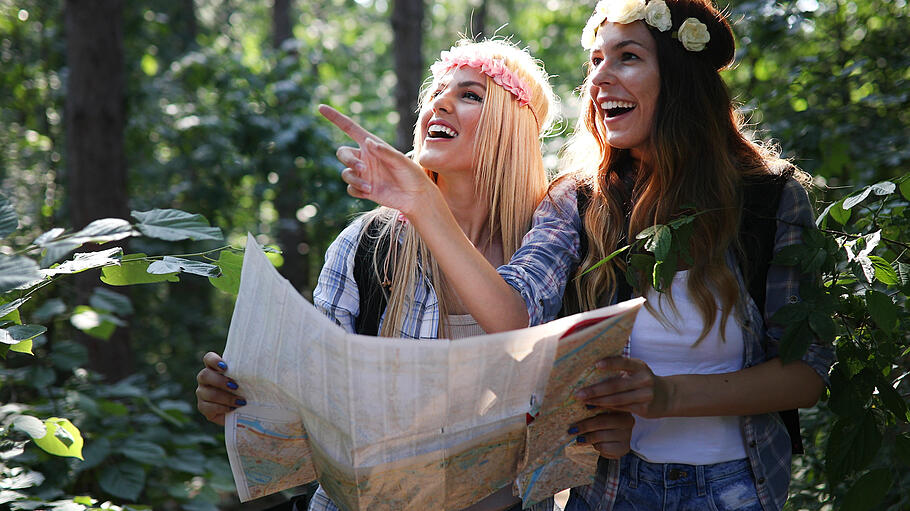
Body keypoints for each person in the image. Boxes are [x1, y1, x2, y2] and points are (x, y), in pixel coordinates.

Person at [332, 1, 836, 510]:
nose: (599, 79)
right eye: (595, 62)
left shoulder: (769, 200)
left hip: (740, 488)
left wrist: (665, 398)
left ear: (680, 76)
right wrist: (422, 201)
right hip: (612, 490)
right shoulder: (578, 201)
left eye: (627, 58)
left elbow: (807, 372)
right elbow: (517, 318)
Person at [196, 38, 630, 511]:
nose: (439, 102)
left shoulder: (555, 234)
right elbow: (313, 408)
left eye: (470, 94)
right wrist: (244, 403)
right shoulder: (366, 244)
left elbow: (522, 327)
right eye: (436, 94)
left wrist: (423, 201)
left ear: (513, 128)